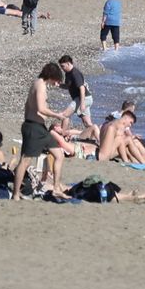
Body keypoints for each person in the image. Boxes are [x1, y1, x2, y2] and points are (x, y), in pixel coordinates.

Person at [12, 62, 72, 201]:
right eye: (56, 80)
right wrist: (57, 115)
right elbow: (41, 108)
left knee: (59, 155)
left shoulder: (39, 84)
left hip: (40, 128)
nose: (56, 84)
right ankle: (15, 194)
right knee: (25, 161)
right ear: (51, 76)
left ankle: (56, 189)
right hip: (33, 128)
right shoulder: (40, 85)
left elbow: (28, 106)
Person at [58, 54, 93, 134]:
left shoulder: (75, 73)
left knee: (65, 115)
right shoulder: (68, 73)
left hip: (83, 99)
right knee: (87, 123)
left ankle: (62, 135)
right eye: (61, 67)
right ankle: (98, 136)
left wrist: (82, 103)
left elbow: (82, 88)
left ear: (68, 63)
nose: (62, 68)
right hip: (83, 99)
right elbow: (68, 86)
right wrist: (59, 85)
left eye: (63, 66)